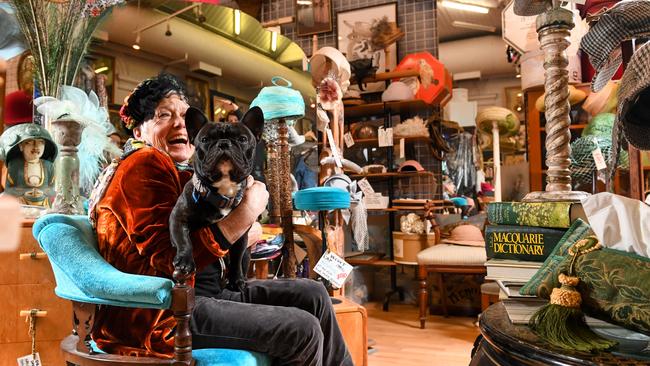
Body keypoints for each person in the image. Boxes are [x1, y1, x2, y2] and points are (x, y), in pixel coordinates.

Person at [88, 73, 352, 365]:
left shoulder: (187, 173)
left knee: (314, 293)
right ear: (138, 131)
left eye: (183, 115)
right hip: (165, 314)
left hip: (206, 294)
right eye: (164, 115)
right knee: (301, 329)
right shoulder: (142, 163)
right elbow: (169, 257)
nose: (179, 123)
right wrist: (246, 214)